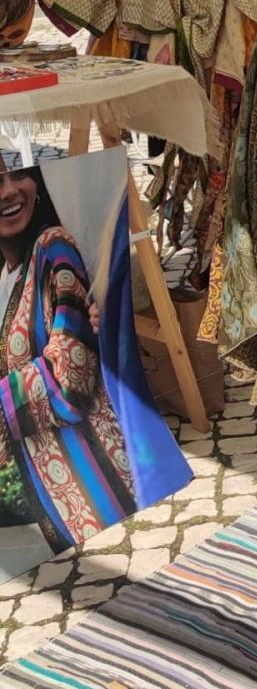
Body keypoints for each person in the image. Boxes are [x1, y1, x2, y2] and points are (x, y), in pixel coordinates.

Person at [0, 166, 136, 569]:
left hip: (102, 486)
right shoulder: (7, 276)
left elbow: (69, 381)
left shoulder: (52, 249)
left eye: (12, 174)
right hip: (58, 505)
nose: (9, 191)